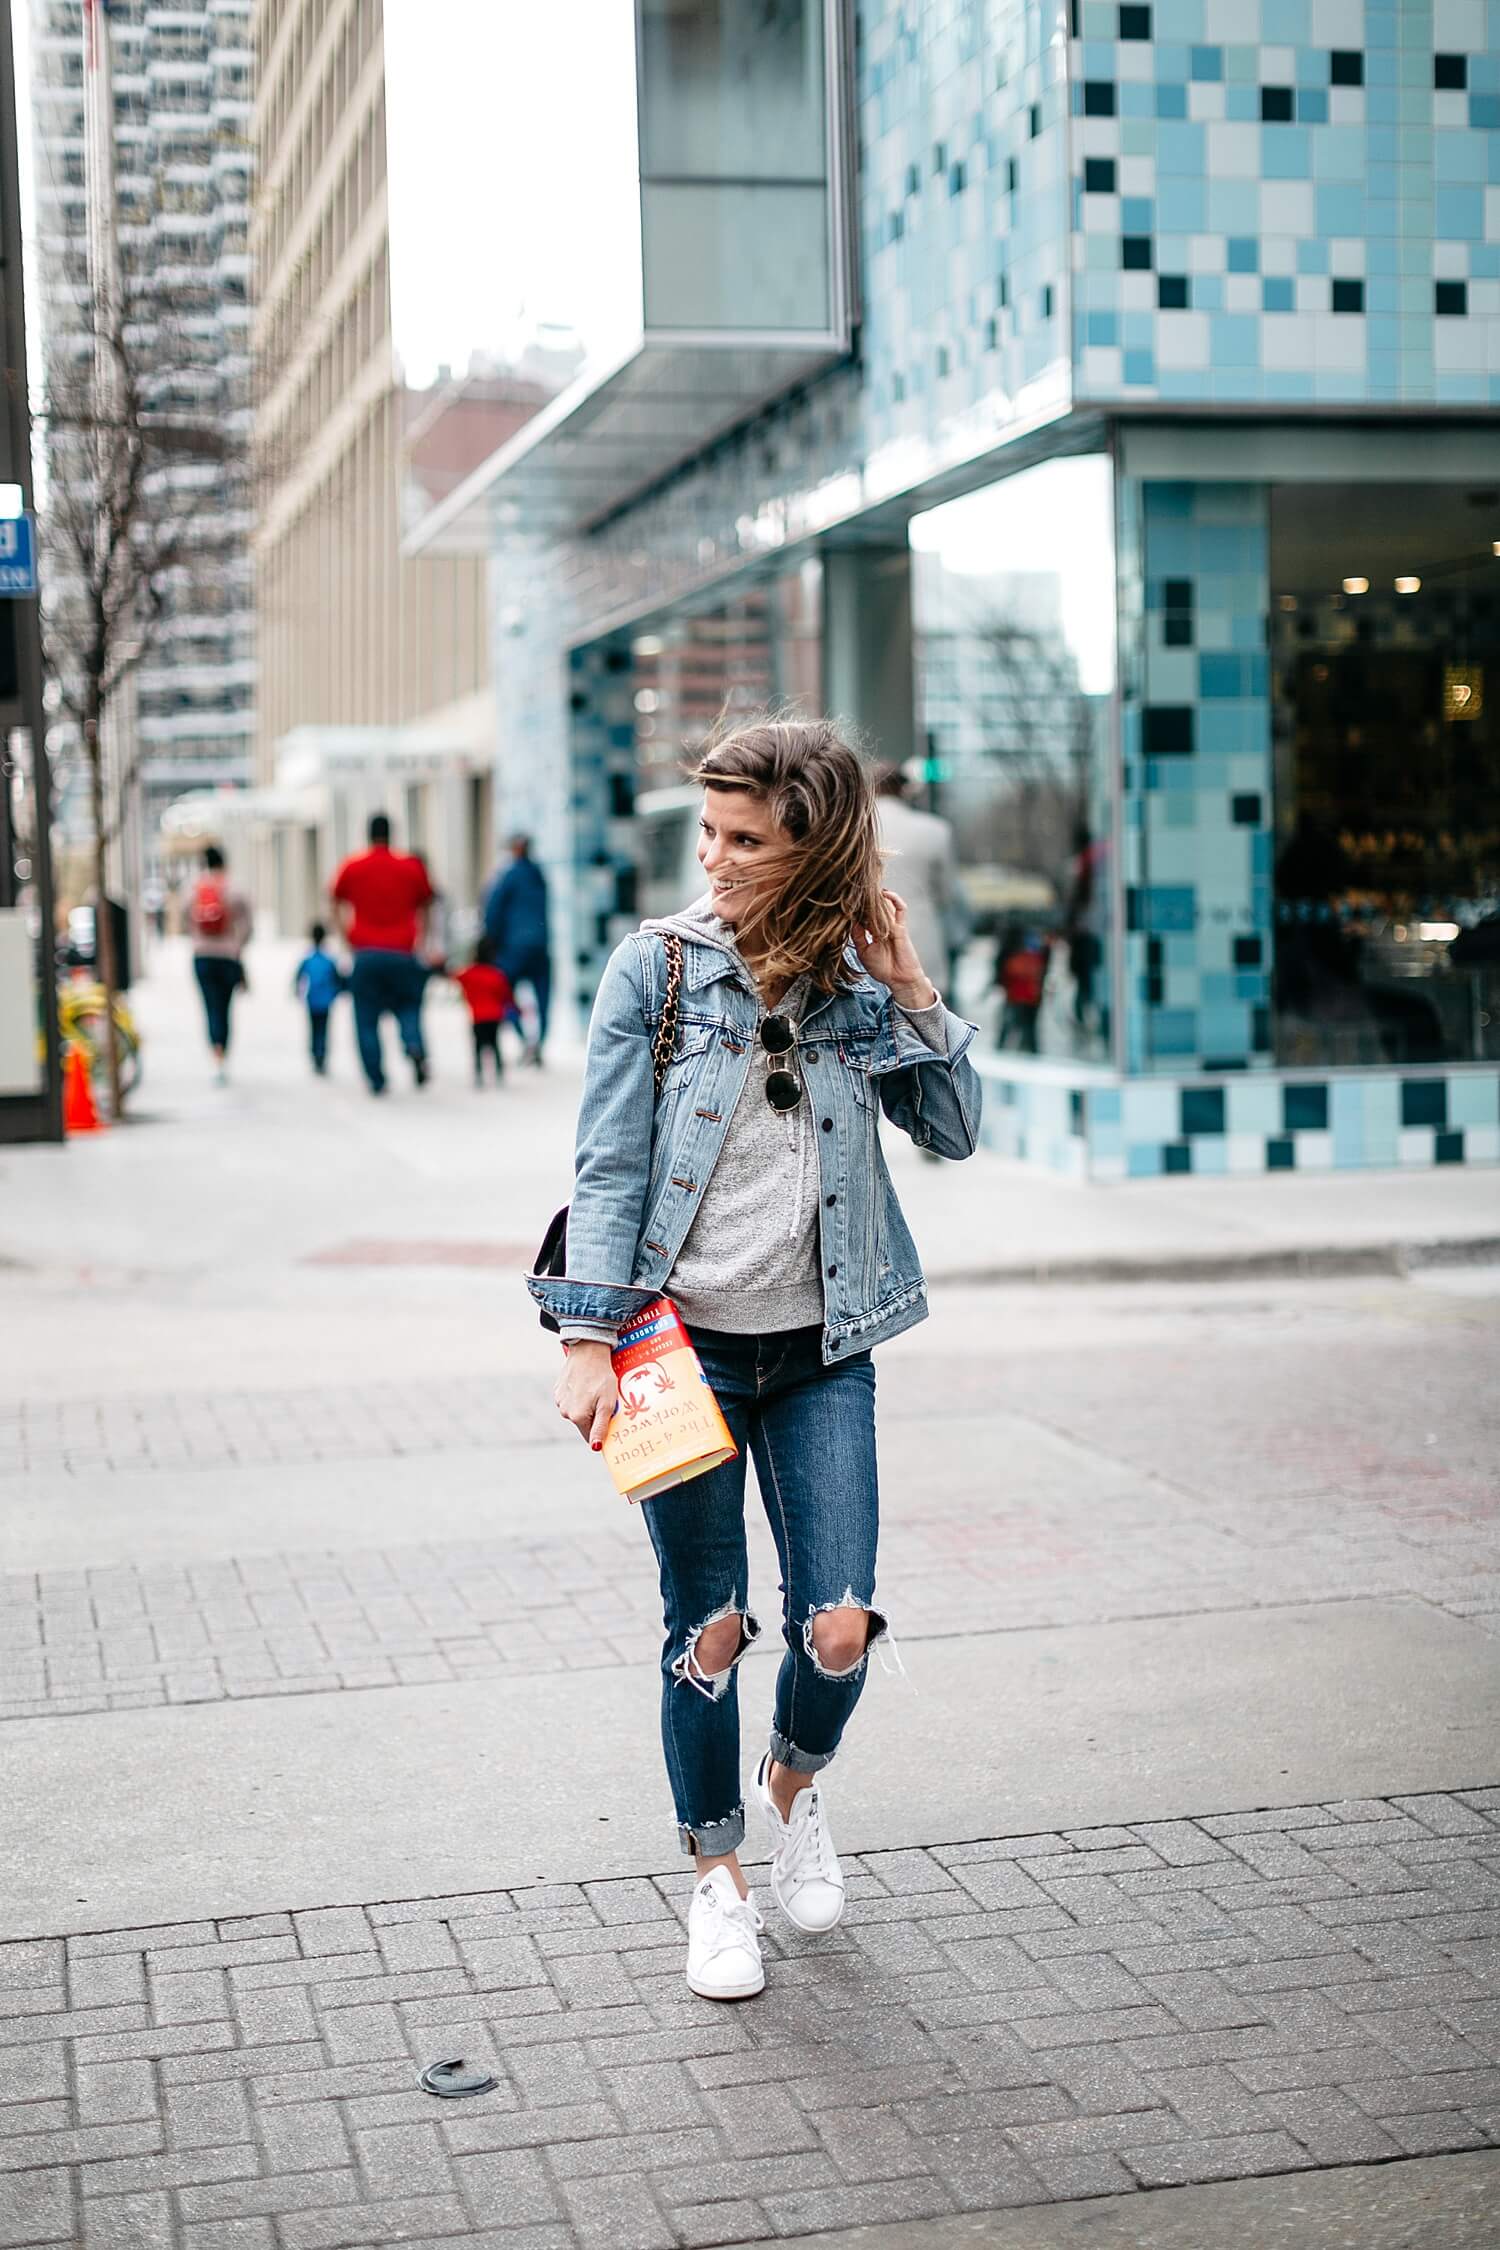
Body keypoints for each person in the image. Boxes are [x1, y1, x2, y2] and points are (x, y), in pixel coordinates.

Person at [530, 717, 981, 2004]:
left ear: (814, 849)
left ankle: (793, 1790)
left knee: (836, 1626)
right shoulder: (657, 972)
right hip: (683, 1357)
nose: (717, 862)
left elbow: (951, 1127)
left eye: (748, 842)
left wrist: (909, 986)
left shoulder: (853, 985)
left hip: (825, 1350)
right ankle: (717, 1883)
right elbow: (609, 1166)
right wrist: (586, 1335)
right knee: (712, 1628)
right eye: (709, 835)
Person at [330, 813, 435, 1095]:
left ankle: (376, 1078)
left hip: (365, 953)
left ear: (368, 834)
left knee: (366, 1018)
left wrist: (346, 937)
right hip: (403, 951)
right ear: (392, 834)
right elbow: (427, 904)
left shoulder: (353, 866)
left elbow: (335, 901)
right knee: (409, 1006)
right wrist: (422, 940)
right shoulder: (411, 867)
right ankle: (413, 1043)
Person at [873, 765, 968, 1000]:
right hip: (922, 943)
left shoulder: (851, 827)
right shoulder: (936, 830)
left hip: (866, 944)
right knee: (926, 1020)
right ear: (904, 790)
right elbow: (947, 894)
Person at [483, 835, 551, 1064]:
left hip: (512, 948)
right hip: (540, 945)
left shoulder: (507, 875)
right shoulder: (538, 875)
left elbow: (492, 910)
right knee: (543, 998)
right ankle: (538, 1042)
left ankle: (525, 1040)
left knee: (504, 995)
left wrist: (490, 941)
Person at [188, 845, 252, 1083]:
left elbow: (186, 919)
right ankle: (223, 1052)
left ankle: (216, 1054)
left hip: (202, 956)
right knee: (225, 1007)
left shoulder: (194, 888)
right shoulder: (235, 888)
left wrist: (197, 940)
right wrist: (238, 944)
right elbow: (247, 924)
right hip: (228, 956)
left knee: (210, 1006)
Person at [448, 938, 514, 1086]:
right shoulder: (496, 974)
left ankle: (479, 1076)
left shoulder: (470, 974)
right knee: (495, 1046)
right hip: (494, 1017)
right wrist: (517, 1009)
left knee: (478, 1047)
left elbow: (453, 977)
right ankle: (499, 1074)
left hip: (478, 1017)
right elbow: (506, 996)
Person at [292, 922, 343, 1076]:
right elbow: (338, 980)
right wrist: (336, 993)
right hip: (326, 1001)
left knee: (314, 1029)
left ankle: (316, 1056)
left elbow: (298, 977)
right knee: (324, 1030)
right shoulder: (330, 959)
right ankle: (322, 1056)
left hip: (312, 1001)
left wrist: (297, 993)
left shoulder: (308, 959)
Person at [994, 924, 1050, 1052]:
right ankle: (1029, 1049)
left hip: (1019, 996)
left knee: (1015, 1025)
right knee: (1027, 1027)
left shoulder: (1015, 958)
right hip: (1027, 997)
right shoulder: (1031, 957)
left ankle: (1004, 1048)